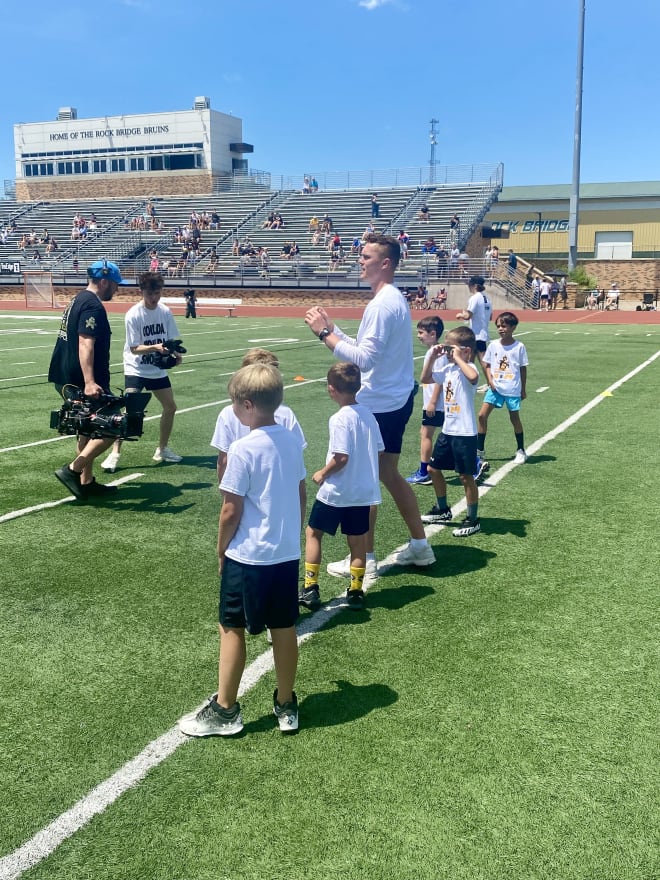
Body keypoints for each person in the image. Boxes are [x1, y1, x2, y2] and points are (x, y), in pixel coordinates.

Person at [179, 363, 306, 737]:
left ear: (247, 405)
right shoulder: (290, 440)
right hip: (284, 554)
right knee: (284, 628)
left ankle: (225, 710)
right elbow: (300, 493)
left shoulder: (242, 448)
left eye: (235, 404)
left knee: (231, 627)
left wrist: (221, 550)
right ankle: (286, 704)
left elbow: (230, 509)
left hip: (248, 556)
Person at [305, 234, 435, 573]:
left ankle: (367, 556)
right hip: (394, 399)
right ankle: (420, 546)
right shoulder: (389, 298)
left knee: (367, 479)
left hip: (381, 404)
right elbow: (368, 349)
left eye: (366, 256)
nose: (360, 261)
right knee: (388, 474)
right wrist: (335, 330)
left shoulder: (381, 303)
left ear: (386, 263)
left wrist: (323, 334)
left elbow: (363, 360)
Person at [300, 362, 384, 612]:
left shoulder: (339, 419)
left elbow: (341, 457)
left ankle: (310, 587)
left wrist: (322, 473)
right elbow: (379, 450)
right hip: (362, 493)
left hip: (336, 492)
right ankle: (356, 590)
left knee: (313, 533)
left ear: (331, 389)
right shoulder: (368, 414)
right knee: (357, 542)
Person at [48, 259, 130, 499]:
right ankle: (72, 470)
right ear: (104, 281)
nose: (117, 289)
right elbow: (85, 343)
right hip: (80, 379)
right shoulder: (92, 305)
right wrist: (89, 381)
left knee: (87, 428)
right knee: (113, 426)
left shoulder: (78, 299)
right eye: (115, 284)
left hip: (64, 376)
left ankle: (86, 482)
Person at [100, 272, 183, 473]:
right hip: (136, 368)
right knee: (131, 410)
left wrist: (176, 353)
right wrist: (157, 347)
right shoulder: (133, 314)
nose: (154, 297)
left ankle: (162, 449)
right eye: (149, 293)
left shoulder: (165, 312)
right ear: (141, 291)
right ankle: (115, 453)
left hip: (156, 369)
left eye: (157, 292)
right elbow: (134, 348)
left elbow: (171, 339)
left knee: (170, 407)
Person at [210, 349, 307, 489]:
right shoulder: (286, 413)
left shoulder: (227, 413)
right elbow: (295, 457)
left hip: (241, 488)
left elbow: (223, 460)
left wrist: (226, 493)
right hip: (277, 487)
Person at [419, 325, 482, 537]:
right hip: (448, 430)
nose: (446, 351)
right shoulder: (448, 369)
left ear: (465, 350)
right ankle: (443, 509)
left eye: (450, 347)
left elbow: (474, 377)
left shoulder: (467, 368)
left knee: (465, 476)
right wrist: (432, 357)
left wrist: (460, 358)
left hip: (464, 433)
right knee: (432, 469)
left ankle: (473, 519)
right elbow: (425, 378)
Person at [477, 311, 529, 470]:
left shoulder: (519, 346)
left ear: (513, 327)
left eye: (504, 326)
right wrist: (490, 380)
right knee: (481, 415)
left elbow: (522, 368)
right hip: (495, 388)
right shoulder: (493, 345)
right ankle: (479, 451)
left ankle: (520, 449)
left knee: (514, 418)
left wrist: (523, 389)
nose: (500, 328)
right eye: (498, 326)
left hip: (512, 389)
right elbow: (486, 365)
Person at [406, 315, 445, 486]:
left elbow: (440, 379)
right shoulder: (435, 351)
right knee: (437, 434)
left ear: (433, 333)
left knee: (426, 435)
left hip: (436, 404)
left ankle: (424, 472)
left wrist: (432, 402)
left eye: (421, 332)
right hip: (436, 403)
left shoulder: (437, 353)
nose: (419, 336)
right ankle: (474, 463)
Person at [456, 275, 492, 382]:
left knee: (482, 361)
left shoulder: (474, 298)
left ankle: (490, 383)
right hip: (482, 332)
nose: (469, 287)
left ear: (475, 286)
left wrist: (460, 315)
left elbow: (468, 316)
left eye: (470, 285)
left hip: (477, 333)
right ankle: (468, 380)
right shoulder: (487, 299)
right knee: (470, 359)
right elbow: (490, 316)